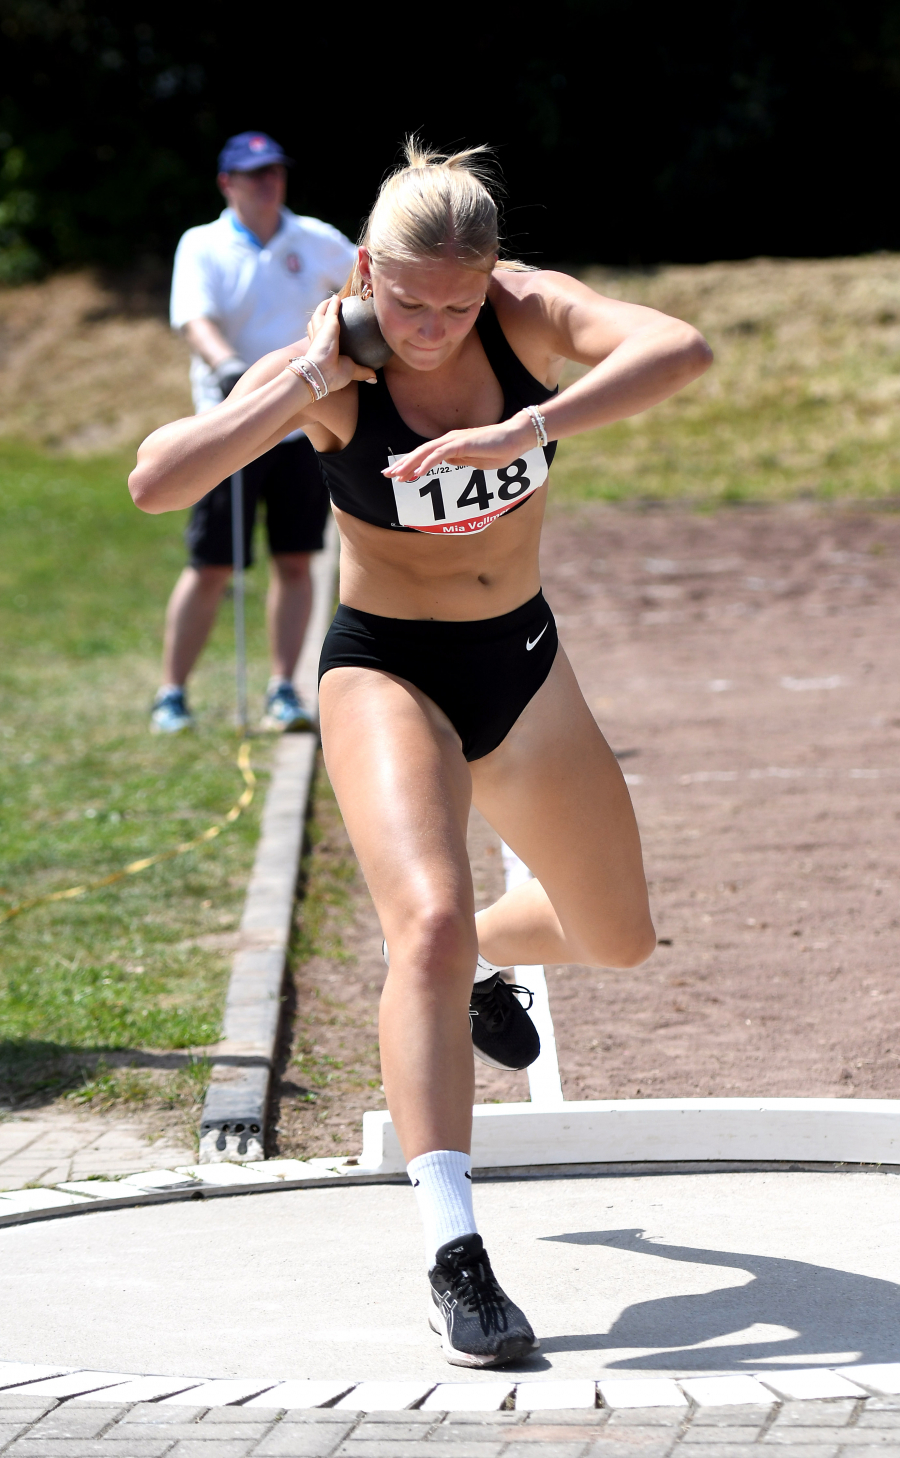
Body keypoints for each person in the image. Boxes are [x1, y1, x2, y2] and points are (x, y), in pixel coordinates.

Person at [130, 142, 712, 1366]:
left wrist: (528, 427)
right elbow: (154, 480)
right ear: (363, 273)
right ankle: (456, 1254)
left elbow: (683, 350)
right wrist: (298, 382)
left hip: (524, 662)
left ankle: (478, 964)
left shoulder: (523, 314)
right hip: (387, 667)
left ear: (492, 276)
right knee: (427, 923)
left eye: (459, 302)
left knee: (616, 937)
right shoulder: (336, 359)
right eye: (408, 303)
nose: (436, 328)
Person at [151, 131, 356, 734]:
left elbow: (366, 286)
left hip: (301, 430)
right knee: (212, 564)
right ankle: (172, 693)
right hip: (230, 426)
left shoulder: (314, 238)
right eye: (254, 173)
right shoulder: (204, 243)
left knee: (296, 562)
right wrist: (226, 367)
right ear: (227, 183)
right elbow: (195, 317)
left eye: (275, 172)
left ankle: (284, 690)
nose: (268, 182)